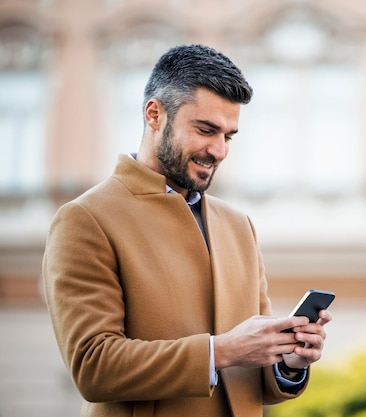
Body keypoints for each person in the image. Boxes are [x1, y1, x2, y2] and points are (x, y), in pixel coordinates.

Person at [42, 44, 332, 417]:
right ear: (154, 115)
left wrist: (289, 361)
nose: (219, 150)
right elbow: (93, 366)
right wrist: (223, 349)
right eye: (206, 130)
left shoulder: (238, 226)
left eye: (228, 136)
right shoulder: (85, 219)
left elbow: (252, 380)